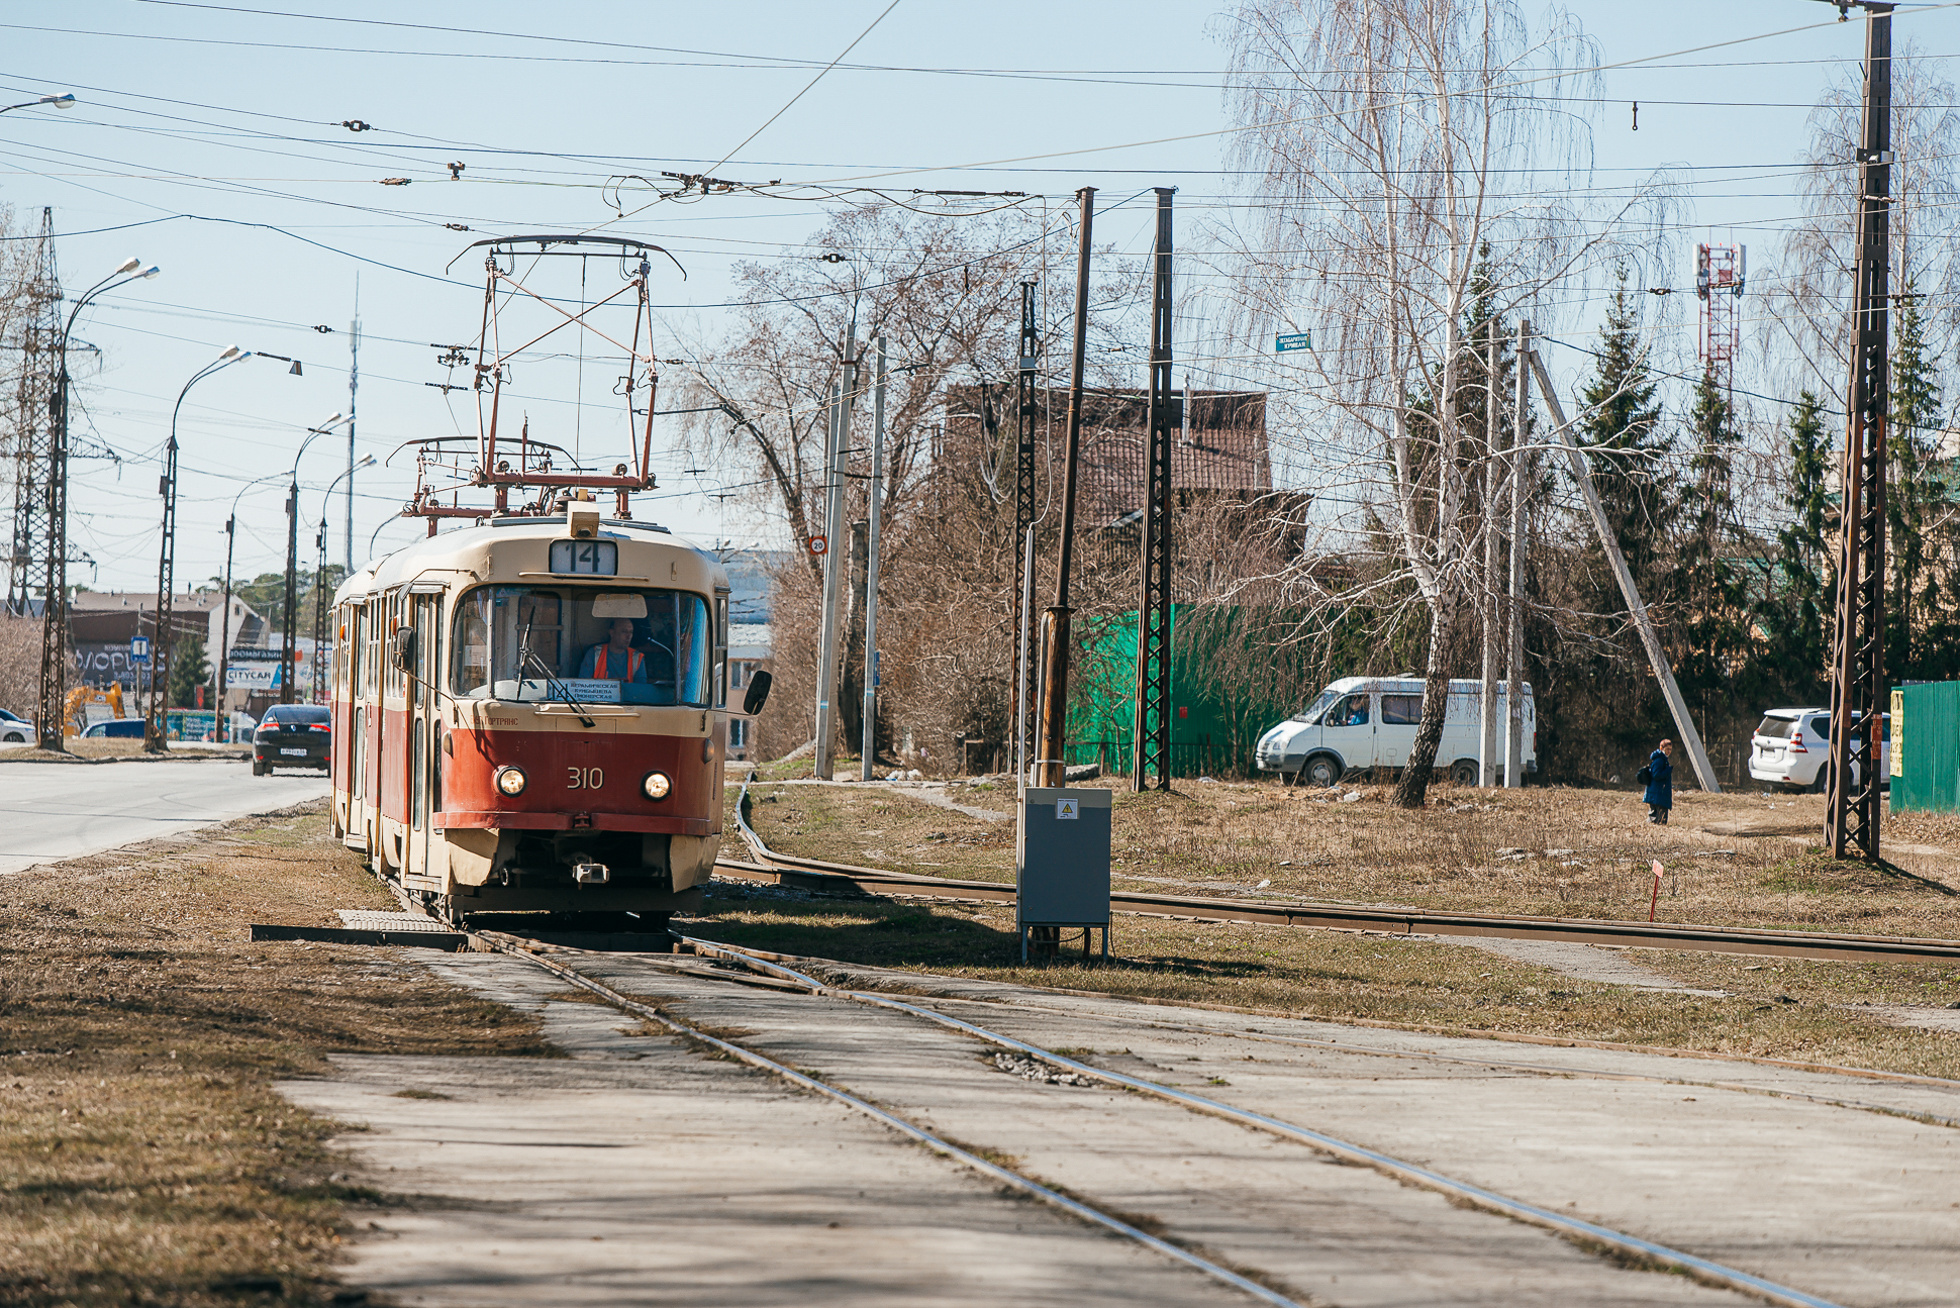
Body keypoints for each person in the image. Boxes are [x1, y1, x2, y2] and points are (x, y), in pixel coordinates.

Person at [577, 617, 647, 682]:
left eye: (631, 632)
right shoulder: (594, 653)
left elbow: (641, 689)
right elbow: (583, 684)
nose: (628, 636)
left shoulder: (637, 658)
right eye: (624, 631)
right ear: (612, 632)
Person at [1643, 738, 1675, 825]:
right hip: (1657, 794)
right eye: (1667, 749)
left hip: (1658, 794)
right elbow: (1656, 775)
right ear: (1661, 748)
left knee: (1658, 820)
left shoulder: (1662, 760)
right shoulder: (1659, 760)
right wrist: (1668, 770)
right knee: (1658, 821)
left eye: (1670, 750)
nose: (1669, 751)